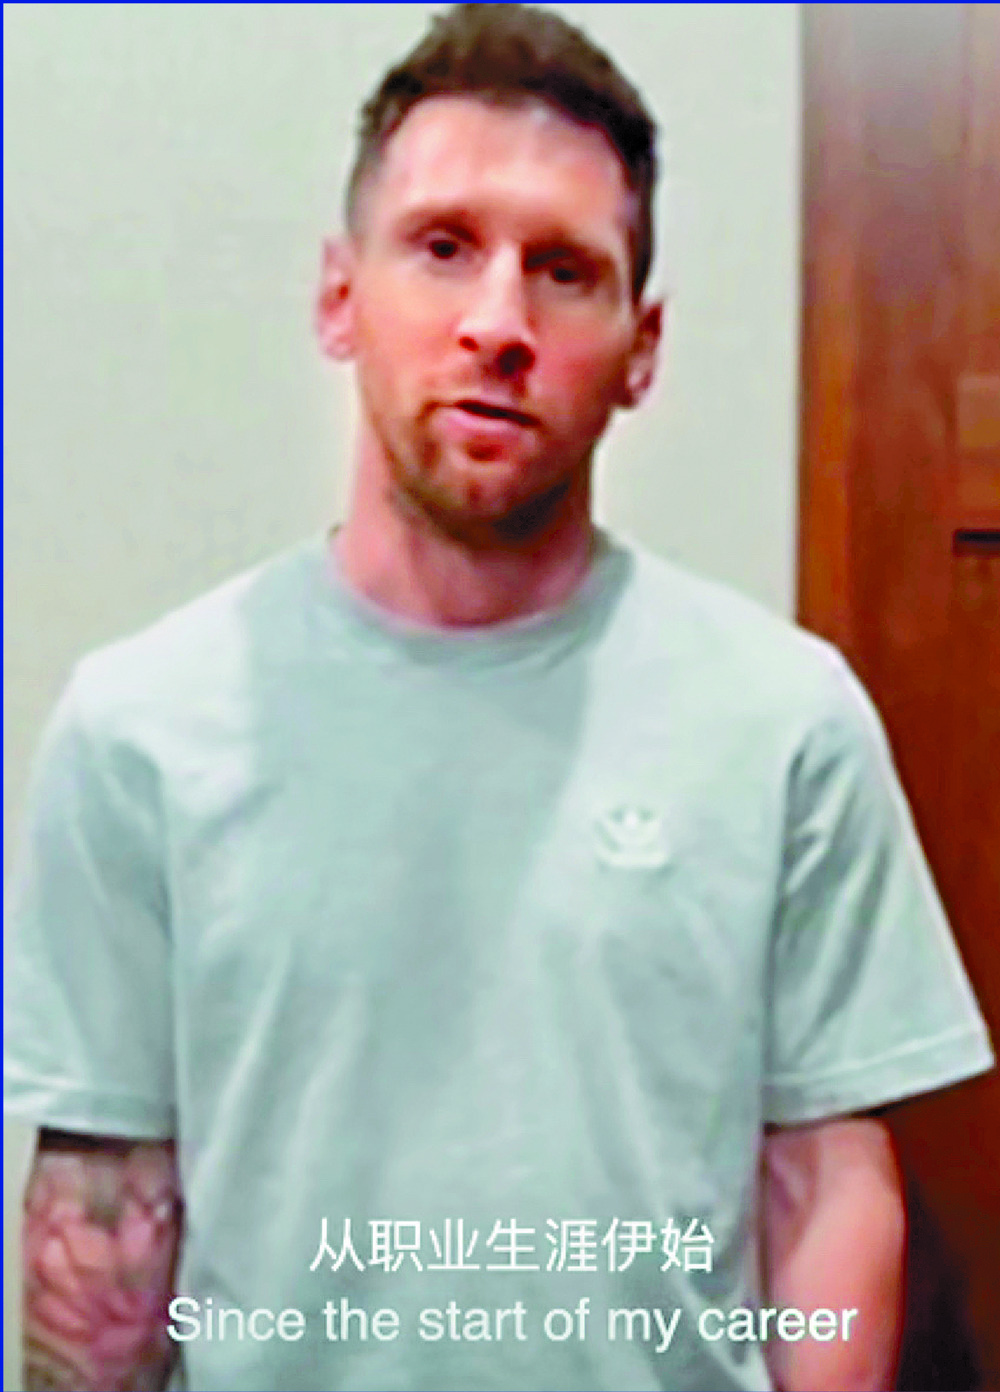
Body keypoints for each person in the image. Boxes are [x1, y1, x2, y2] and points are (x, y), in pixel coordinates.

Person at [4, 5, 994, 1391]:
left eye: (564, 271)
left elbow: (822, 1188)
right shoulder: (143, 733)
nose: (498, 324)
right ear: (341, 298)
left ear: (642, 346)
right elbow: (103, 1223)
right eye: (444, 247)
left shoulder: (784, 726)